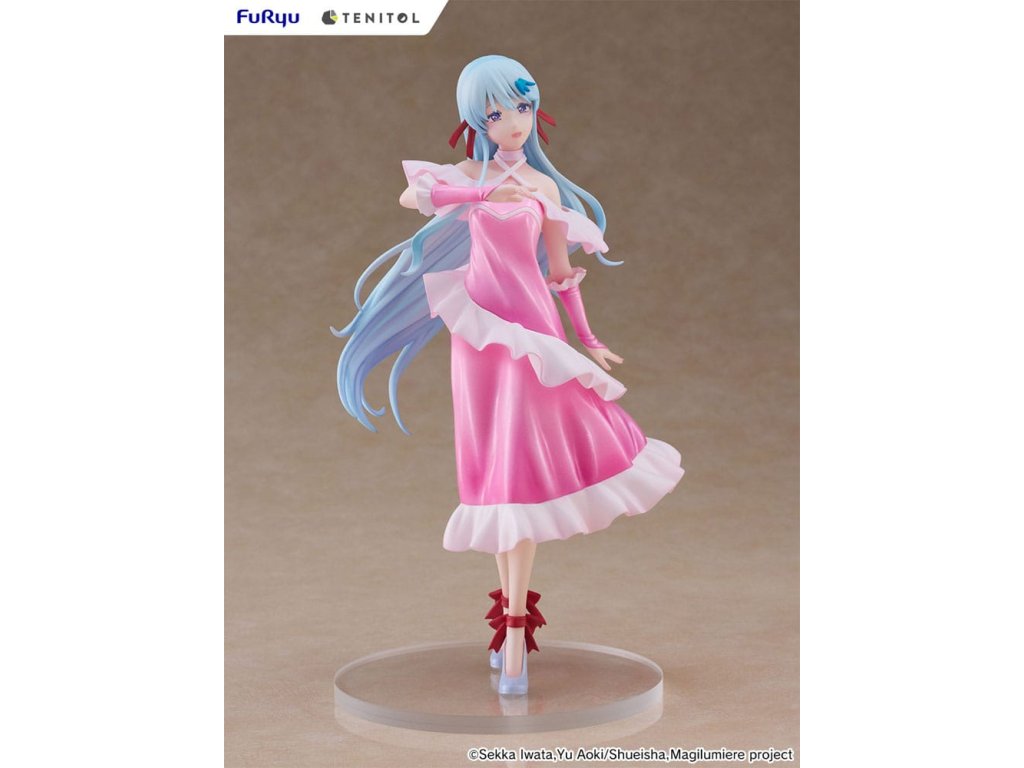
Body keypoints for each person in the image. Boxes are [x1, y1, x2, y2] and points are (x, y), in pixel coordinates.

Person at [333, 55, 685, 695]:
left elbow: (560, 273)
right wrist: (482, 193)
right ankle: (513, 629)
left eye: (523, 107)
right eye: (496, 113)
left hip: (535, 334)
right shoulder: (468, 176)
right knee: (498, 469)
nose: (514, 123)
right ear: (476, 119)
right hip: (481, 338)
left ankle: (515, 631)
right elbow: (414, 196)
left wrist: (589, 338)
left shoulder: (545, 188)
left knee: (529, 464)